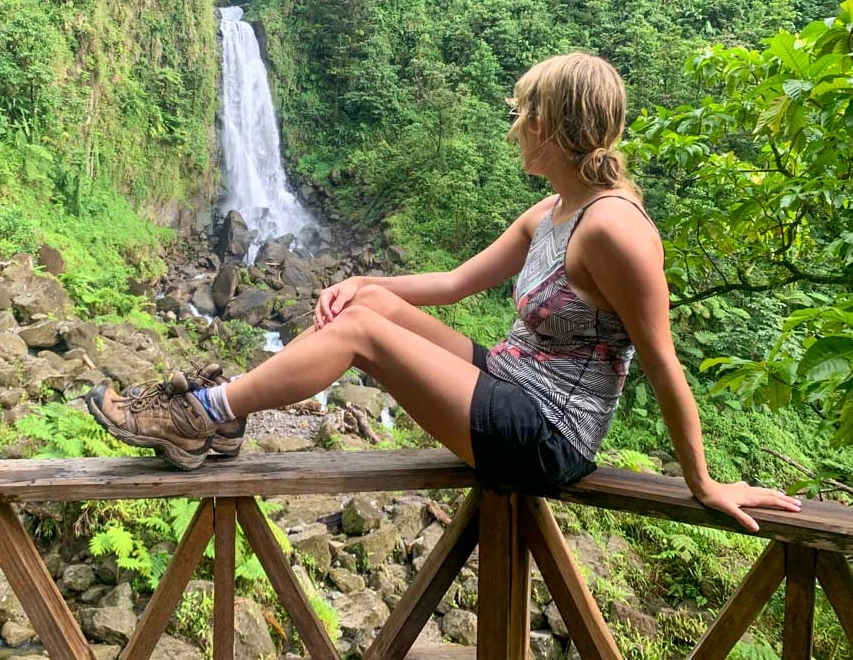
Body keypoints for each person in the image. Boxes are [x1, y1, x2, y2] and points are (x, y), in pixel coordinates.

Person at [86, 52, 801, 532]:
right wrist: (363, 280)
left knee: (361, 337)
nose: (514, 128)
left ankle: (200, 414)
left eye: (520, 114)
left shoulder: (614, 229)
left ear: (546, 126)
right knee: (364, 310)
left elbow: (660, 360)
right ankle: (227, 422)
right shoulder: (550, 210)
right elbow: (455, 283)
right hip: (509, 384)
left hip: (547, 434)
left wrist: (703, 485)